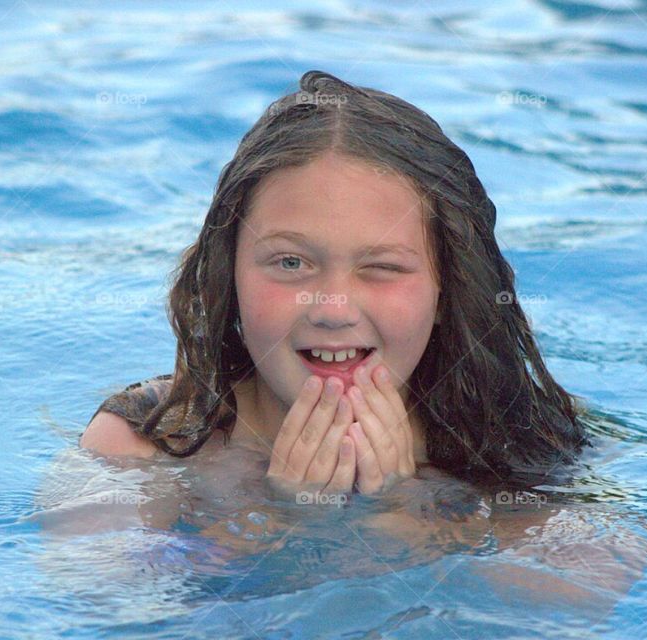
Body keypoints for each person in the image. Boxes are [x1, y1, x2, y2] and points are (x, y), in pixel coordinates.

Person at [80, 69, 587, 498]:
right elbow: (99, 581)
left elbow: (591, 581)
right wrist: (285, 519)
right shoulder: (144, 444)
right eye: (291, 263)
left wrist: (399, 515)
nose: (333, 309)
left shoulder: (524, 446)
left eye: (383, 267)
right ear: (227, 277)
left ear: (447, 290)